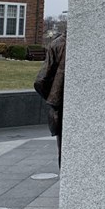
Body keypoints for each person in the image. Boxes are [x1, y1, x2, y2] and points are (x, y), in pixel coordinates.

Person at [34, 32, 65, 166]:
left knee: (64, 151)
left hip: (61, 104)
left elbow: (41, 81)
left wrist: (53, 96)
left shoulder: (57, 44)